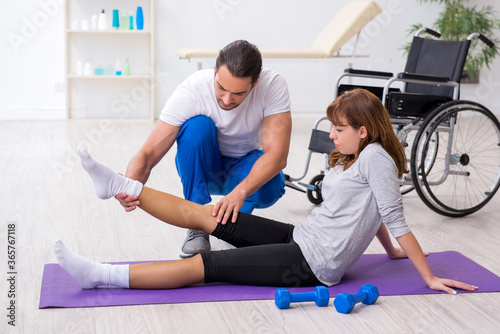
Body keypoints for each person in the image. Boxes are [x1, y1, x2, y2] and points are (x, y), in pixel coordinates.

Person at [55, 89, 477, 294]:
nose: (331, 135)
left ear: (364, 132)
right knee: (211, 214)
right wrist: (390, 252)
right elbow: (372, 211)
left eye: (339, 129)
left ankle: (99, 276)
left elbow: (393, 215)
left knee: (208, 267)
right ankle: (118, 185)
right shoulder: (359, 156)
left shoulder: (375, 159)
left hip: (313, 265)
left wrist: (427, 275)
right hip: (300, 239)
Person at [117, 40, 292, 257]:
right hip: (204, 168)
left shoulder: (272, 85)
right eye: (221, 88)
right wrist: (127, 186)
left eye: (238, 93)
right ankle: (197, 225)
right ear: (215, 70)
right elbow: (148, 153)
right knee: (197, 126)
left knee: (273, 183)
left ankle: (233, 226)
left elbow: (277, 155)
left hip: (243, 168)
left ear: (255, 82)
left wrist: (239, 193)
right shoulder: (193, 89)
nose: (227, 100)